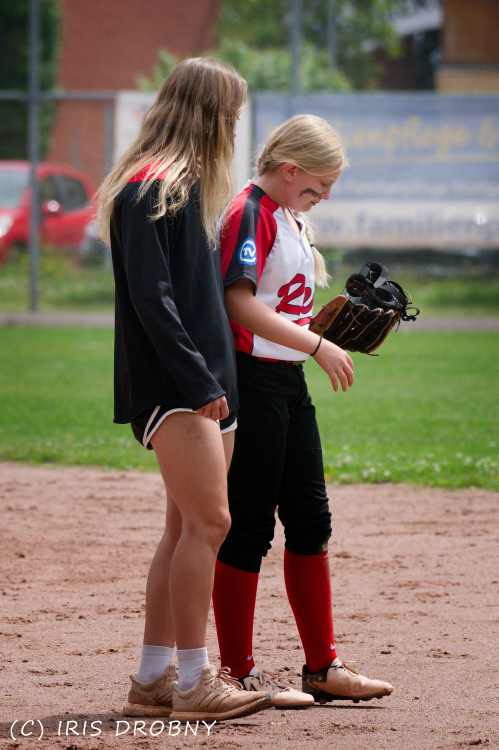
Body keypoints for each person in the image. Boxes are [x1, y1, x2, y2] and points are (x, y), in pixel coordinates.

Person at [97, 57, 271, 722]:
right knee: (210, 524)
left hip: (205, 383)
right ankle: (196, 682)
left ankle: (153, 679)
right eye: (231, 114)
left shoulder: (188, 187)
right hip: (175, 385)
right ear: (208, 113)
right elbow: (153, 299)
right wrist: (199, 380)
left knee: (182, 528)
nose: (234, 126)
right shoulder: (151, 186)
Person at [212, 114, 394, 708]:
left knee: (311, 521)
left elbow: (278, 307)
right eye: (320, 184)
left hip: (287, 383)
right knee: (249, 527)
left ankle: (322, 667)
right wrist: (318, 345)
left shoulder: (289, 216)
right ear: (290, 170)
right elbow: (239, 305)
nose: (325, 196)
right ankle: (237, 672)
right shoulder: (250, 212)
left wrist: (324, 327)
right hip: (251, 382)